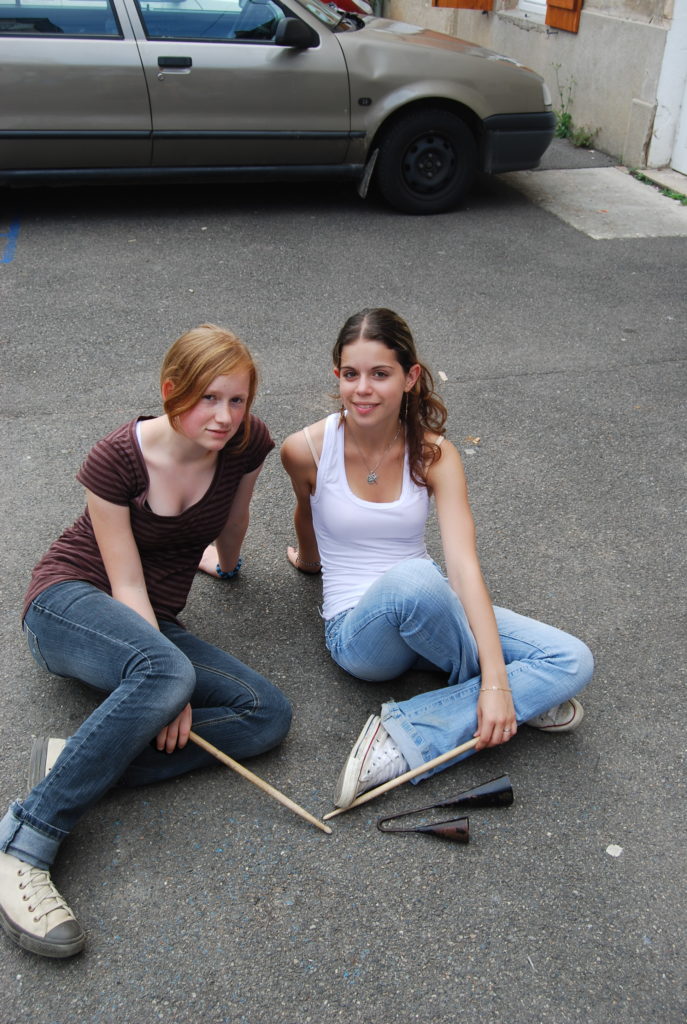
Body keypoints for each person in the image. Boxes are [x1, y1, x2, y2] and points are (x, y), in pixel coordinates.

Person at [0, 324, 292, 959]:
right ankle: (24, 841)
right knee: (166, 674)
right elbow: (126, 580)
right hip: (69, 604)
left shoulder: (246, 442)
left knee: (267, 714)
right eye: (208, 398)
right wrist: (169, 690)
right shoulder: (117, 460)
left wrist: (228, 566)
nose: (224, 417)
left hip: (155, 623)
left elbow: (234, 518)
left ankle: (73, 760)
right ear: (171, 389)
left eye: (237, 400)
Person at [281, 308, 593, 810]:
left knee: (572, 659)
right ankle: (517, 693)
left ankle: (407, 730)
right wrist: (308, 562)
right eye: (350, 374)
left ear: (410, 378)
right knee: (415, 580)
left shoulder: (434, 454)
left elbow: (463, 566)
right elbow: (306, 510)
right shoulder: (305, 449)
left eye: (380, 374)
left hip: (433, 607)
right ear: (337, 375)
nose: (362, 389)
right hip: (359, 633)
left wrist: (498, 686)